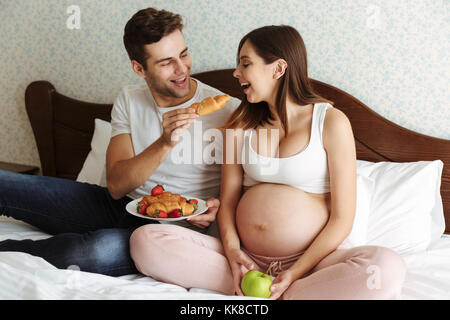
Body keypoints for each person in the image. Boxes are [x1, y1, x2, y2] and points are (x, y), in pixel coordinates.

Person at [129, 25, 407, 299]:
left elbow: (342, 218)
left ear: (278, 69)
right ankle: (272, 290)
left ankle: (286, 290)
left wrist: (295, 271)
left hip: (313, 263)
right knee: (145, 240)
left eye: (245, 63)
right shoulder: (238, 126)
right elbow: (228, 203)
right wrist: (234, 252)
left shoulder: (330, 122)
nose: (236, 73)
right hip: (244, 262)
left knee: (385, 267)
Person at [0, 7, 240, 276]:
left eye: (183, 54)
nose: (182, 68)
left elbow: (249, 189)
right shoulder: (129, 98)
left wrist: (215, 212)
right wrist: (164, 142)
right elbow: (116, 185)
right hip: (122, 204)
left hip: (169, 230)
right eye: (166, 62)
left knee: (93, 251)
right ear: (139, 68)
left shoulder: (230, 111)